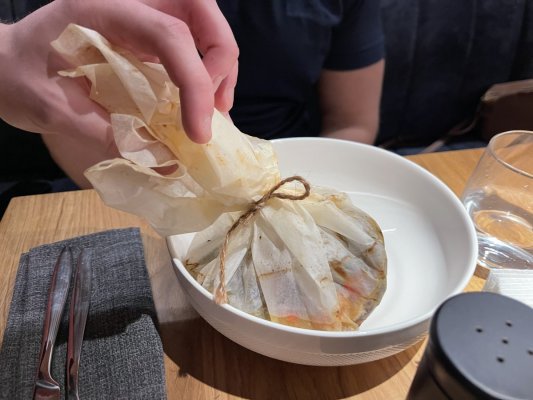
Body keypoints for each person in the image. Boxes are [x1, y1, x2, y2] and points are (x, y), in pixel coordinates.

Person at [0, 0, 384, 214]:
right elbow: (63, 110)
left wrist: (289, 196)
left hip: (292, 175)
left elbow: (352, 122)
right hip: (133, 189)